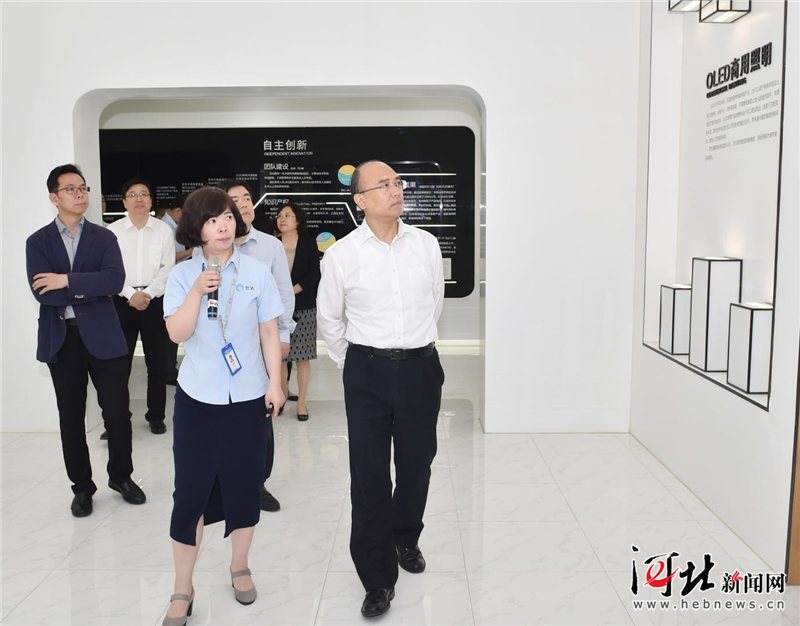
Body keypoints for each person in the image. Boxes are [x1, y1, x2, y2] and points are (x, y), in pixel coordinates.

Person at [317, 160, 445, 618]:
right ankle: (376, 578)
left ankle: (405, 537)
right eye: (384, 184)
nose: (395, 190)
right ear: (360, 200)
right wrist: (353, 364)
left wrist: (413, 348)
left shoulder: (425, 245)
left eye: (397, 182)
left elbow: (434, 303)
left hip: (420, 369)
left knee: (416, 465)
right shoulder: (342, 255)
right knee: (369, 476)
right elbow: (329, 318)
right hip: (366, 372)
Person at [162, 187, 284, 626]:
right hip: (198, 399)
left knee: (245, 487)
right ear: (196, 228)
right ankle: (183, 586)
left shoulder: (257, 271)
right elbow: (177, 334)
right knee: (190, 494)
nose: (223, 226)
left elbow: (269, 332)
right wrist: (197, 290)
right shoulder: (182, 276)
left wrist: (276, 384)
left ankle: (240, 565)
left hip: (248, 397)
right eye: (213, 220)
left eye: (228, 217)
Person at [26, 163, 147, 517]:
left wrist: (65, 280)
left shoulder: (104, 237)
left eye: (83, 188)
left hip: (104, 337)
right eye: (71, 189)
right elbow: (43, 292)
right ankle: (82, 487)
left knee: (117, 414)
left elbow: (114, 281)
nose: (80, 194)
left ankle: (121, 477)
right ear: (54, 197)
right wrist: (87, 286)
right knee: (71, 417)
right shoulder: (38, 242)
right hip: (62, 339)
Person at [219, 180, 295, 513]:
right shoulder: (207, 248)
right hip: (223, 347)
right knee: (223, 413)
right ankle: (225, 478)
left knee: (261, 414)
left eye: (247, 198)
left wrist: (284, 335)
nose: (244, 204)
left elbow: (284, 293)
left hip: (263, 343)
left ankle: (258, 481)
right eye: (235, 200)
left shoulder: (269, 246)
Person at [107, 177, 176, 435]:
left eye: (144, 194)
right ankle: (117, 420)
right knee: (118, 366)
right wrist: (130, 294)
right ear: (124, 202)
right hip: (121, 301)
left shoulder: (163, 230)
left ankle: (156, 416)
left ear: (151, 200)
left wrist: (146, 294)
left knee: (157, 364)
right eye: (133, 194)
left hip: (154, 302)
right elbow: (109, 270)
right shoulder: (112, 231)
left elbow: (168, 269)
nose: (139, 199)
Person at [274, 203, 320, 421]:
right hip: (276, 307)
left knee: (303, 358)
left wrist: (291, 291)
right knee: (280, 357)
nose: (282, 219)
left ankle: (301, 403)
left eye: (288, 216)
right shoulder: (272, 244)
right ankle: (282, 396)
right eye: (279, 216)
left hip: (303, 306)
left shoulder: (309, 244)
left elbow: (314, 274)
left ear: (298, 221)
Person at [162, 193, 193, 384]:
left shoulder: (172, 226)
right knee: (169, 331)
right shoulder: (165, 228)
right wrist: (191, 252)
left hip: (173, 284)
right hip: (166, 285)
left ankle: (170, 367)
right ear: (179, 211)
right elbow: (169, 257)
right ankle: (168, 370)